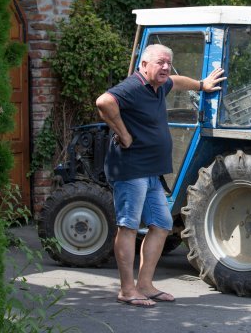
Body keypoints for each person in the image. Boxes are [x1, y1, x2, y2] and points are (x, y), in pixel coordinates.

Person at [96, 44, 225, 307]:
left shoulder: (159, 86)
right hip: (131, 170)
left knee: (162, 225)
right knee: (129, 226)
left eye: (168, 62)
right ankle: (127, 289)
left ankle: (145, 284)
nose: (165, 67)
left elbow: (176, 81)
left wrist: (201, 84)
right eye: (159, 62)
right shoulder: (133, 87)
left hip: (151, 172)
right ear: (144, 65)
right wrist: (123, 133)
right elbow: (104, 101)